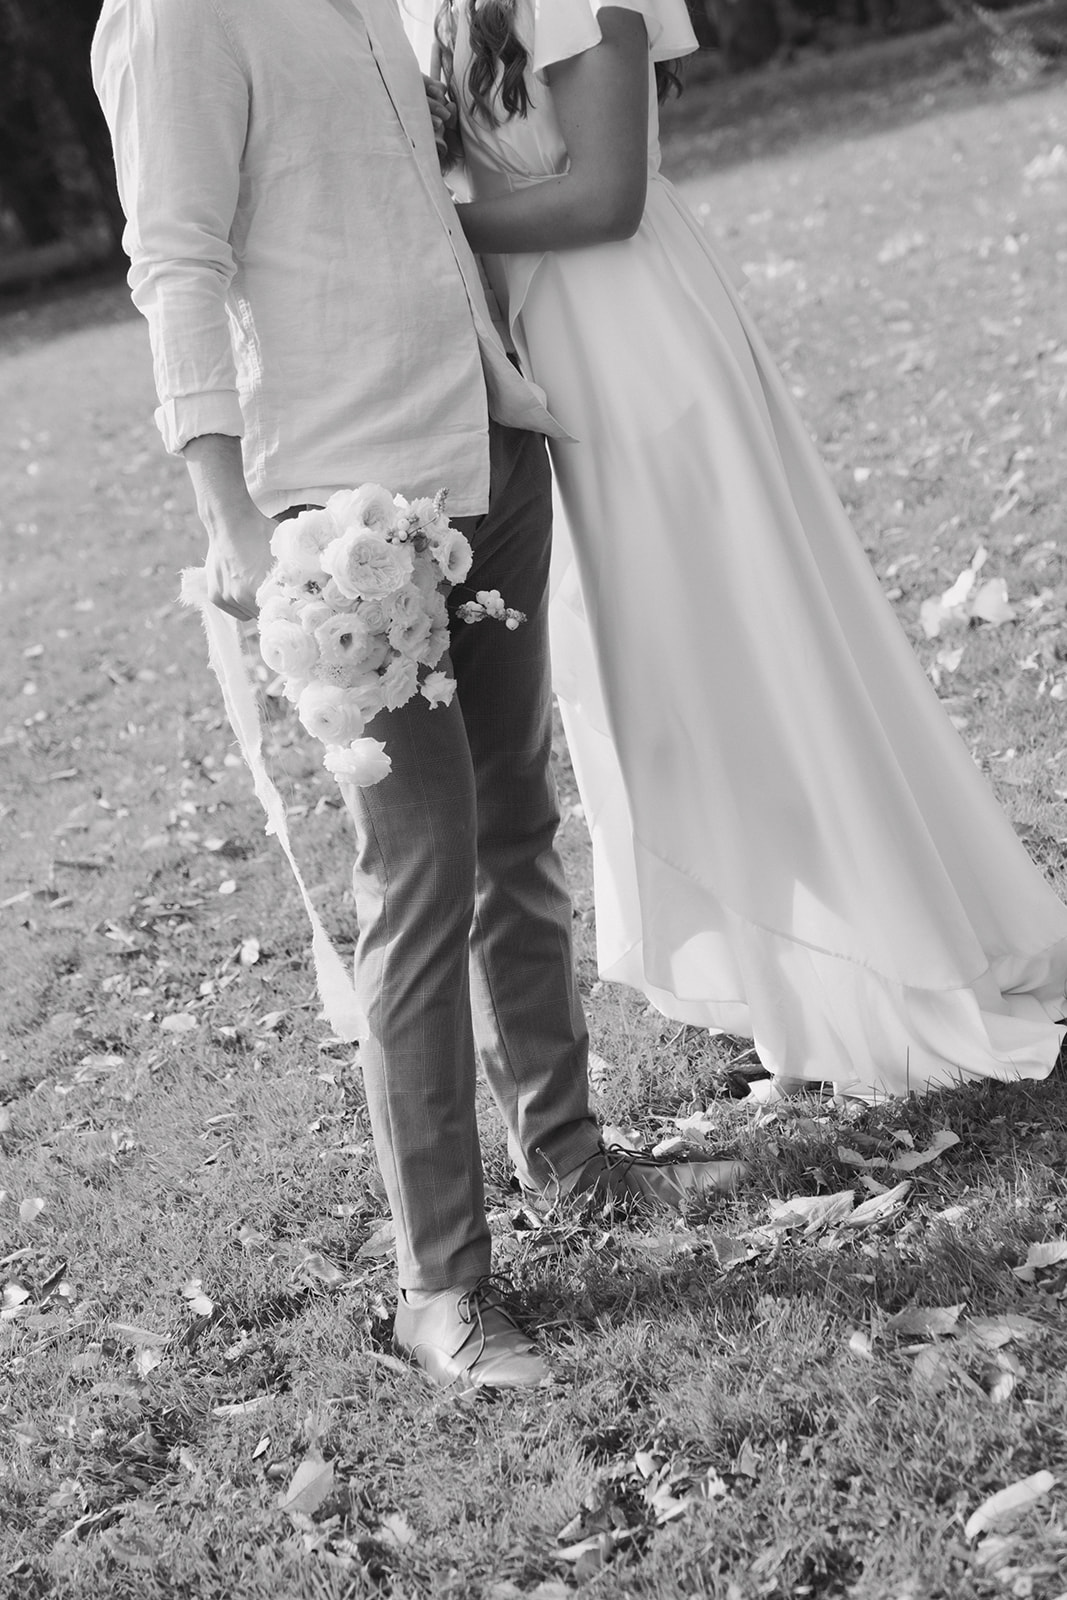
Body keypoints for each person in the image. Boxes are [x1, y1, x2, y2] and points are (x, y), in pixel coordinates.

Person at [91, 0, 746, 1397]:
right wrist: (230, 514)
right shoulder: (173, 16)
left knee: (516, 819)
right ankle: (439, 1284)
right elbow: (174, 257)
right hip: (339, 500)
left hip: (486, 450)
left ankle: (566, 1155)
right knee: (419, 870)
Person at [411, 0, 1067, 1099]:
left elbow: (607, 197)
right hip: (559, 350)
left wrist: (425, 226)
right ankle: (771, 952)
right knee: (657, 665)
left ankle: (872, 953)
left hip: (641, 349)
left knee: (734, 641)